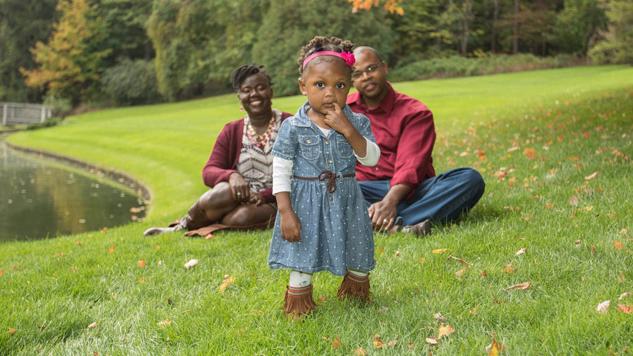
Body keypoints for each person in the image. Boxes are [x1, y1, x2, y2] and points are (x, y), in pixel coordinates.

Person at [268, 36, 381, 317]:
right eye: (320, 85)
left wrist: (348, 130)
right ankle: (299, 304)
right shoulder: (293, 127)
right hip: (305, 202)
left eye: (339, 85)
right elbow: (281, 170)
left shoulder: (357, 122)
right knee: (303, 251)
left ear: (349, 86)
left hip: (346, 199)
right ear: (303, 87)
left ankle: (355, 294)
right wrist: (285, 212)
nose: (330, 93)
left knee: (356, 243)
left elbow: (372, 158)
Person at [347, 47, 485, 236]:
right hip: (365, 189)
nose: (366, 77)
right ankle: (403, 227)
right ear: (351, 80)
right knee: (331, 189)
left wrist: (389, 202)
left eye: (371, 69)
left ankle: (380, 222)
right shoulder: (344, 111)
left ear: (384, 68)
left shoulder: (415, 112)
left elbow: (410, 166)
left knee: (469, 179)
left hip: (413, 190)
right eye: (357, 74)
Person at [143, 64, 291, 237]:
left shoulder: (290, 125)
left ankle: (218, 221)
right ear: (239, 97)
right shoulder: (232, 130)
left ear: (271, 92)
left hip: (277, 199)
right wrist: (232, 176)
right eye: (247, 90)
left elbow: (303, 174)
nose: (254, 94)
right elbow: (209, 171)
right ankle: (182, 226)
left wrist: (264, 195)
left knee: (241, 218)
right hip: (240, 195)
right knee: (220, 193)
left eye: (261, 88)